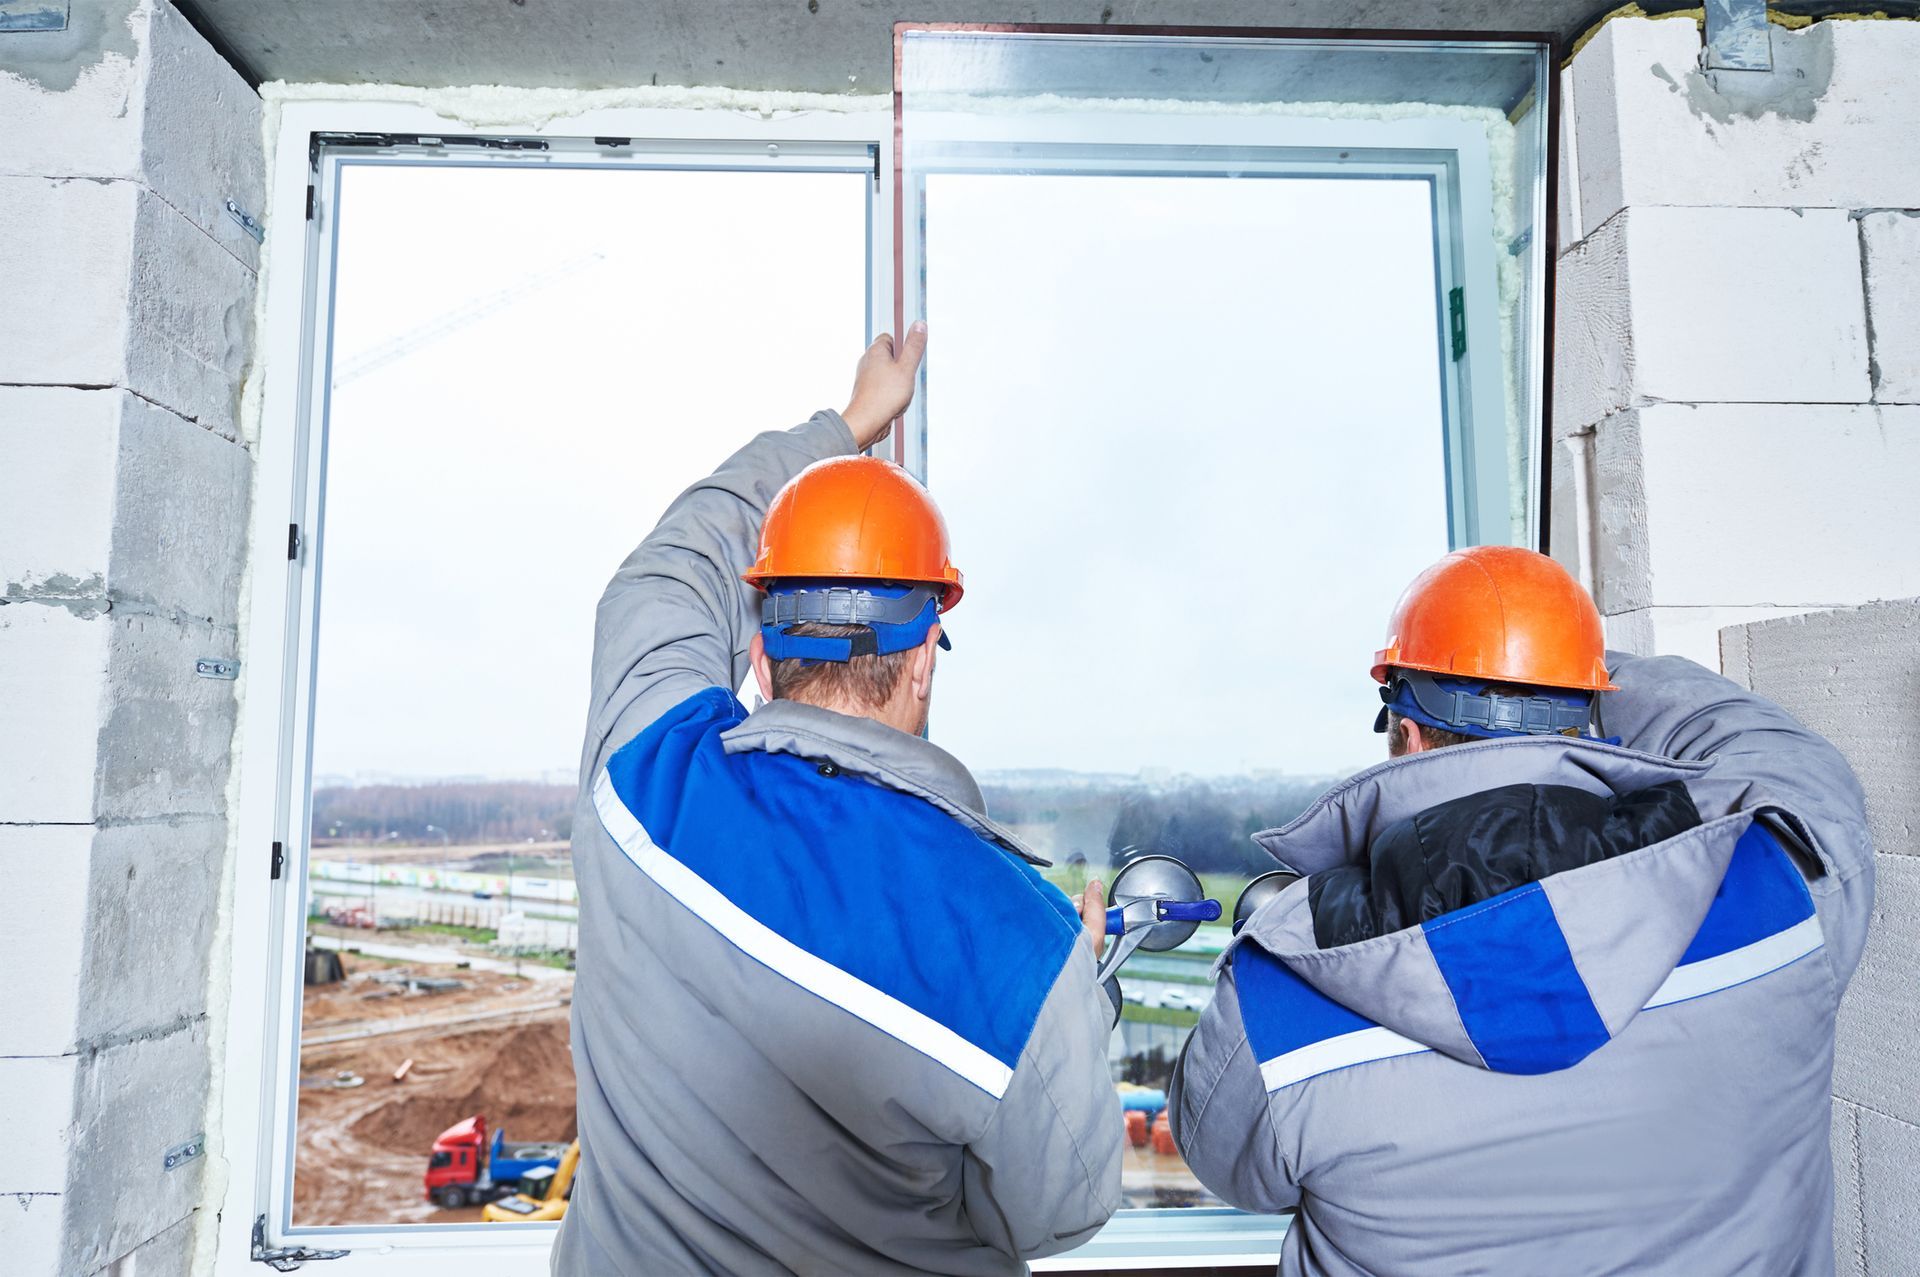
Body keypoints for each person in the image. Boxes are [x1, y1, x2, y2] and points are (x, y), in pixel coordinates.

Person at [552, 326, 1121, 1277]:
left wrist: (851, 422)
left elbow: (672, 562)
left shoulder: (646, 781)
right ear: (923, 663)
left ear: (761, 652)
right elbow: (1060, 1212)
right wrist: (1076, 1003)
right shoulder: (1021, 942)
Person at [1169, 545, 1873, 1277]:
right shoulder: (1783, 887)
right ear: (1588, 712)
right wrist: (1555, 657)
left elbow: (1224, 1161)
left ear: (1406, 732)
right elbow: (1766, 742)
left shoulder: (1281, 990)